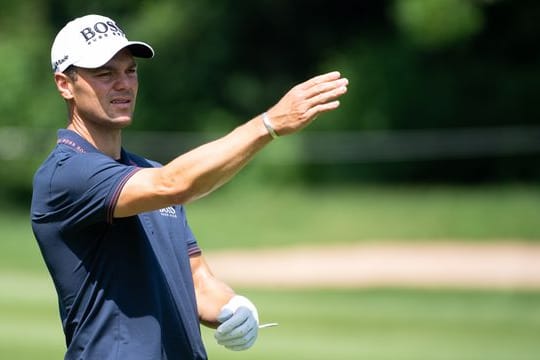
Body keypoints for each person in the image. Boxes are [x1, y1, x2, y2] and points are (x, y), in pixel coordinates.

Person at [30, 14, 348, 360]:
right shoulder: (66, 173)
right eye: (105, 73)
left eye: (130, 70)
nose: (123, 83)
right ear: (65, 84)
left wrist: (232, 306)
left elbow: (196, 280)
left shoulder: (148, 171)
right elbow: (175, 184)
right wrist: (267, 125)